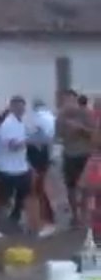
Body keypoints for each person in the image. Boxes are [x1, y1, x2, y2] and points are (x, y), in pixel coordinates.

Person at [57, 90, 95, 226]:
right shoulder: (61, 117)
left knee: (86, 187)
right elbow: (58, 135)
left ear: (76, 100)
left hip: (85, 154)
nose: (68, 103)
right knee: (70, 186)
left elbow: (94, 134)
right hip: (69, 154)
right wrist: (66, 129)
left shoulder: (85, 113)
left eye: (70, 100)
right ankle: (75, 215)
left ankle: (84, 214)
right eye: (65, 100)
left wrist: (80, 128)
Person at [0, 96, 30, 227]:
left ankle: (15, 216)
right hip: (8, 168)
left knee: (23, 193)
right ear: (12, 107)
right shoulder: (7, 125)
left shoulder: (21, 123)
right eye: (19, 107)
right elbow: (11, 146)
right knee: (4, 197)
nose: (22, 110)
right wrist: (29, 141)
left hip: (21, 167)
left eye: (23, 107)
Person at [27, 98, 56, 237]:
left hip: (37, 159)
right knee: (40, 190)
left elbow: (37, 138)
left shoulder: (36, 119)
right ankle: (45, 220)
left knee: (37, 192)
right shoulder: (51, 117)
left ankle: (44, 221)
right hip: (46, 158)